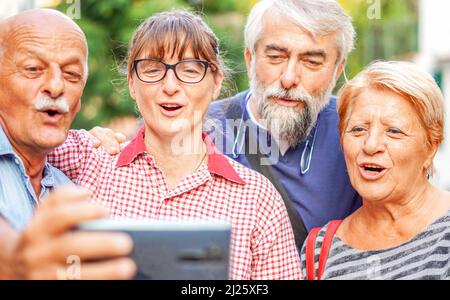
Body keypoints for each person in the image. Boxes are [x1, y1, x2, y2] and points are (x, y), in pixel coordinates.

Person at [48, 11, 302, 280]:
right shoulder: (86, 158)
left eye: (190, 70)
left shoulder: (258, 199)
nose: (170, 86)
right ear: (132, 83)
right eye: (153, 70)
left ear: (216, 83)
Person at [88, 0, 362, 249]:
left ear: (338, 69)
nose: (289, 78)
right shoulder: (193, 123)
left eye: (312, 62)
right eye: (275, 57)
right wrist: (98, 143)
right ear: (250, 59)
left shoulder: (359, 136)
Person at [0, 9, 135, 279]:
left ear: (79, 101)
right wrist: (14, 263)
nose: (55, 86)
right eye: (32, 69)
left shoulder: (68, 185)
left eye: (72, 74)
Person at [301, 61, 450, 280]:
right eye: (358, 129)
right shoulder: (320, 248)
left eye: (394, 131)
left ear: (430, 148)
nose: (371, 145)